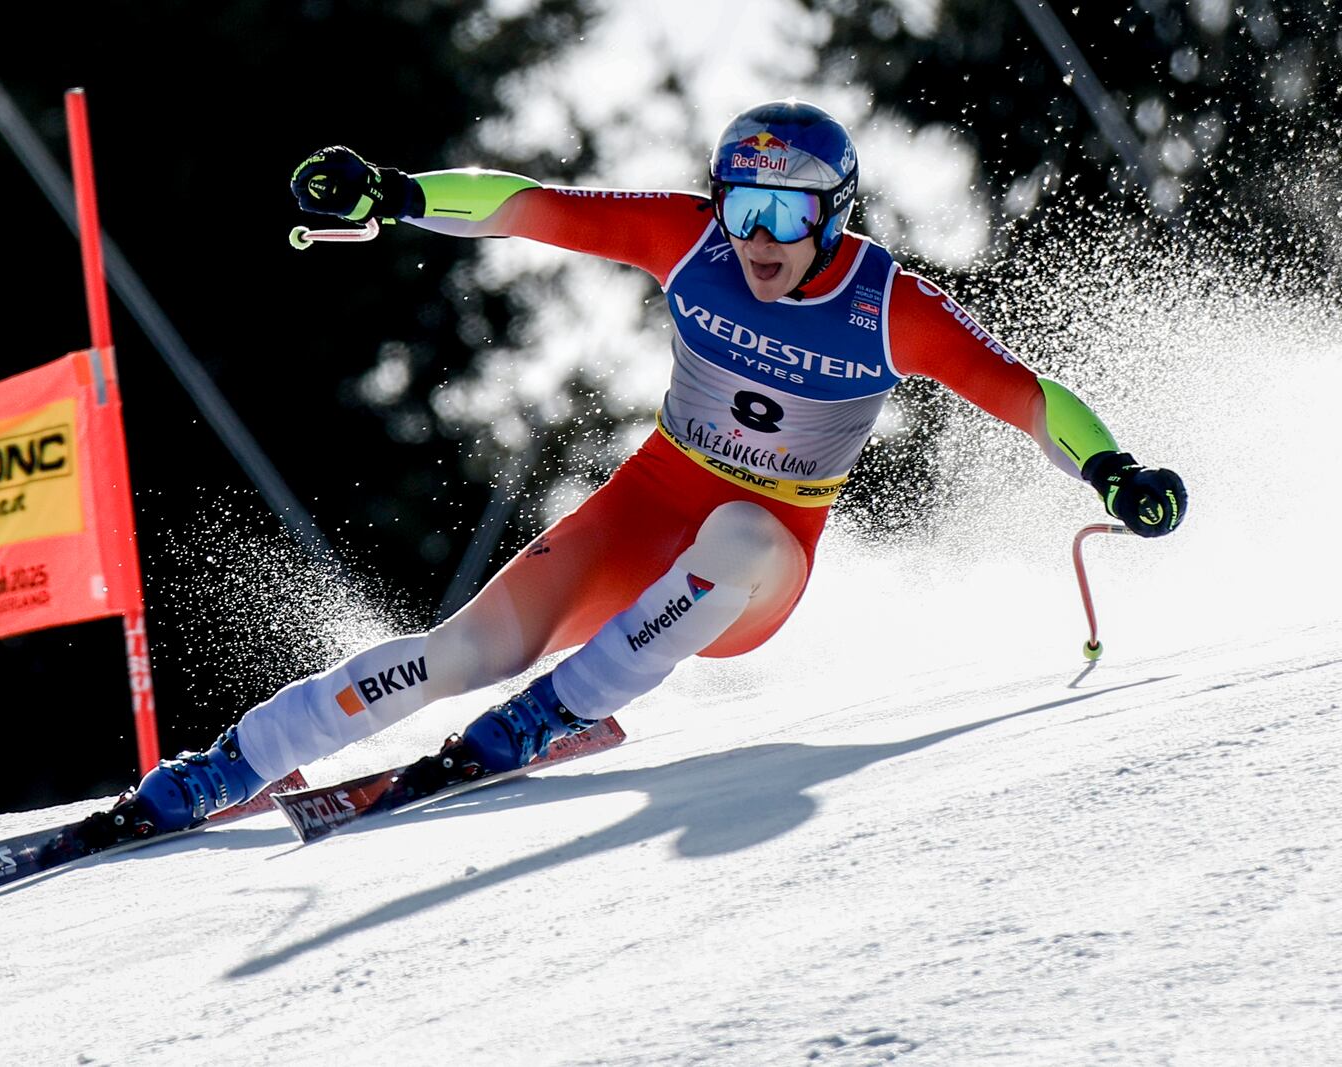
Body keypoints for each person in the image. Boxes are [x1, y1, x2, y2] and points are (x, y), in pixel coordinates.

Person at [121, 99, 1187, 833]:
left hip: (758, 562)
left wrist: (1112, 470)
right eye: (741, 205)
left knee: (736, 535)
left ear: (835, 216)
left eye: (785, 215)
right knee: (462, 649)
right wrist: (393, 192)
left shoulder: (887, 306)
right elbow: (525, 204)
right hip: (646, 505)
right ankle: (235, 763)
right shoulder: (692, 243)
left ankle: (561, 706)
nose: (758, 237)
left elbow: (1026, 396)